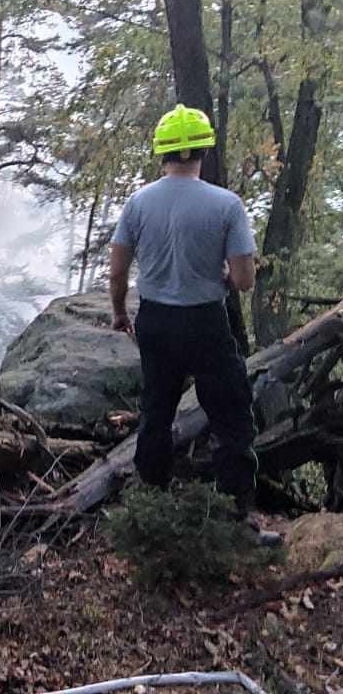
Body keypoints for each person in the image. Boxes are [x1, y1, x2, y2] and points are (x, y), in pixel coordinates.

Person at [109, 103, 261, 520]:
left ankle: (148, 511)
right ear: (202, 151)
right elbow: (245, 279)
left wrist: (121, 313)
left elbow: (118, 271)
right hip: (206, 321)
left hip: (155, 320)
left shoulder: (138, 203)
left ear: (162, 153)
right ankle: (235, 518)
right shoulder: (227, 205)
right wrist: (225, 279)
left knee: (156, 412)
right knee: (231, 416)